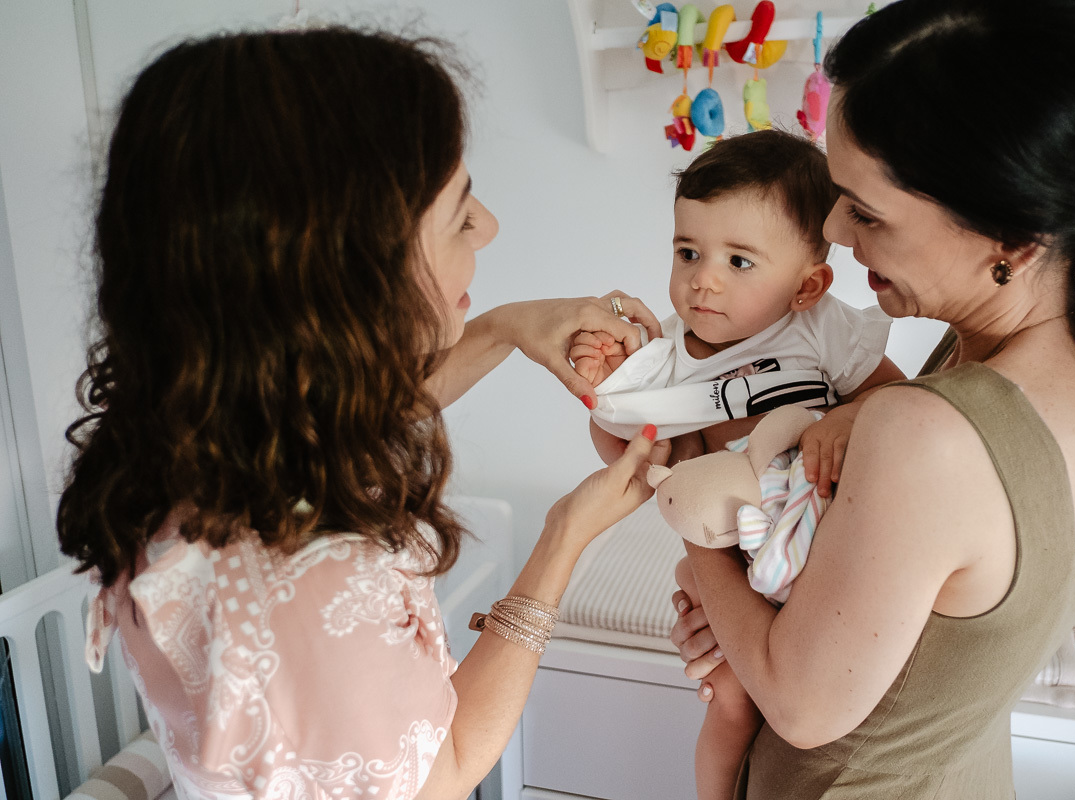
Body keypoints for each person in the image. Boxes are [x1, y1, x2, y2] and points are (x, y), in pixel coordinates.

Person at [58, 28, 670, 800]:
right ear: (345, 272)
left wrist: (507, 326)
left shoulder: (189, 440)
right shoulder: (313, 585)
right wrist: (563, 539)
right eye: (457, 214)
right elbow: (440, 775)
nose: (487, 227)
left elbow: (341, 419)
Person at [669, 0, 1075, 798]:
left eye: (867, 211)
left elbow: (800, 702)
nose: (838, 232)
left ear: (1011, 241)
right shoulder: (1057, 364)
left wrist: (685, 497)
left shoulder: (931, 432)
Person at [573, 129, 905, 800]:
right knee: (727, 697)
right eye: (688, 251)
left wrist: (843, 416)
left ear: (808, 285)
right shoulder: (666, 353)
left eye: (739, 261)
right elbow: (633, 454)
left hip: (813, 548)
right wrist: (603, 383)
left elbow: (893, 402)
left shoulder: (821, 330)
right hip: (732, 558)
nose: (704, 279)